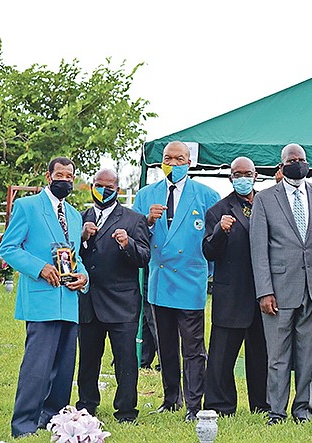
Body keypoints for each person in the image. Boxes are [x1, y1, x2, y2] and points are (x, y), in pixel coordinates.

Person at [0, 157, 89, 437]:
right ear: (48, 176)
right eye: (60, 175)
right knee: (37, 369)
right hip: (41, 300)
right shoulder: (27, 207)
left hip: (69, 302)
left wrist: (84, 277)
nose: (65, 180)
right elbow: (9, 248)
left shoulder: (75, 215)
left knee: (63, 371)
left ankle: (53, 421)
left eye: (70, 176)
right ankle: (24, 425)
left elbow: (76, 257)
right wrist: (39, 268)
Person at [132, 141, 220, 422]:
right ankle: (171, 398)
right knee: (166, 345)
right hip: (160, 281)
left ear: (189, 162)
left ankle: (194, 405)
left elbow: (215, 240)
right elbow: (135, 238)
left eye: (179, 158)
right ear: (161, 163)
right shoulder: (146, 195)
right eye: (168, 158)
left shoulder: (207, 195)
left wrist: (207, 272)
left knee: (193, 348)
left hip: (191, 280)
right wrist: (147, 221)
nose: (174, 163)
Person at [250, 143, 312, 425]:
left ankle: (303, 411)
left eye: (302, 159)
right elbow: (258, 249)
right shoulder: (265, 199)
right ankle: (276, 411)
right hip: (279, 289)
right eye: (292, 160)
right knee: (278, 356)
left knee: (308, 356)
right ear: (282, 165)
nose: (298, 163)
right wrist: (264, 291)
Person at [76, 168, 150, 423]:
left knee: (126, 361)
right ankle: (86, 405)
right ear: (91, 186)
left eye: (108, 187)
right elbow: (71, 257)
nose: (103, 190)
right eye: (98, 185)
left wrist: (127, 244)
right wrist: (82, 239)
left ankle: (126, 411)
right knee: (87, 360)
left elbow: (144, 257)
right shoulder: (81, 218)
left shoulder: (133, 219)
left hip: (122, 303)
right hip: (89, 301)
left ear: (117, 189)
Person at [202, 157, 269, 416]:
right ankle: (220, 405)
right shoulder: (218, 210)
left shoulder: (267, 203)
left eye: (248, 173)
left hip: (262, 292)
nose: (243, 178)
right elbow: (208, 251)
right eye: (238, 174)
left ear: (255, 176)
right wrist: (220, 231)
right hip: (230, 294)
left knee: (261, 354)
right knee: (221, 357)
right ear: (231, 178)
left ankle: (262, 405)